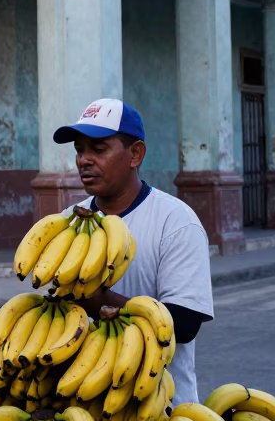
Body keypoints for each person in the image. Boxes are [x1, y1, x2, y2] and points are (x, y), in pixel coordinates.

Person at [53, 97, 214, 404]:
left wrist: (99, 299)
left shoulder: (176, 221)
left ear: (135, 154)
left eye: (98, 149)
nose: (84, 160)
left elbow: (185, 324)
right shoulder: (66, 222)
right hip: (81, 402)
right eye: (79, 149)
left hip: (158, 406)